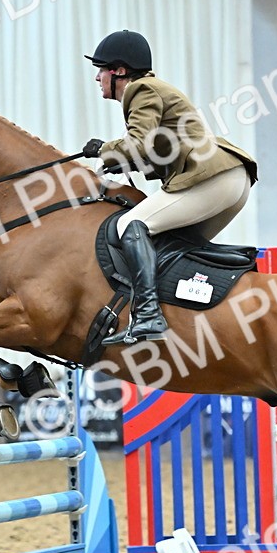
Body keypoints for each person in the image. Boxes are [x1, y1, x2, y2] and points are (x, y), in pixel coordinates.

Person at [83, 30, 258, 346]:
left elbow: (139, 143)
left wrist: (103, 149)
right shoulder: (153, 90)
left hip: (211, 178)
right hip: (230, 180)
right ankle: (188, 311)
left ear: (119, 71)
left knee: (129, 225)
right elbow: (156, 148)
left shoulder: (141, 89)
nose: (97, 78)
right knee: (171, 246)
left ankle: (148, 315)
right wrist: (125, 162)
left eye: (101, 70)